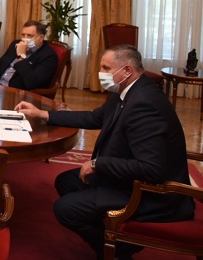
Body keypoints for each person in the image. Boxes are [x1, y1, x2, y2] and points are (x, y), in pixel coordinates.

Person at [14, 45, 194, 258]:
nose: (101, 73)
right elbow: (94, 117)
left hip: (151, 194)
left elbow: (151, 169)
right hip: (128, 179)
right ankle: (108, 231)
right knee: (66, 182)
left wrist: (98, 164)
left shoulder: (145, 104)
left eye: (106, 68)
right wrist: (43, 114)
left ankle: (117, 250)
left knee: (65, 210)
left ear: (127, 70)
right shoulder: (127, 90)